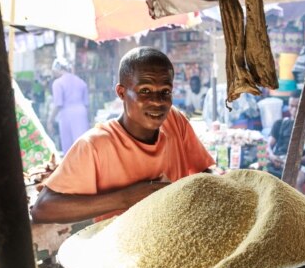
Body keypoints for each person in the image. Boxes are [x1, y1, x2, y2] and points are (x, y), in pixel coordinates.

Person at [31, 47, 215, 223]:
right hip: (123, 251)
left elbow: (203, 174)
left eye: (165, 92)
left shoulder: (174, 120)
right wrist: (124, 198)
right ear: (121, 92)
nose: (158, 102)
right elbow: (42, 209)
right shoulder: (94, 145)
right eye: (145, 91)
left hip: (181, 240)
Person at [266, 91, 305, 195]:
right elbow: (268, 146)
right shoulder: (279, 124)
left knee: (296, 181)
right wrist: (272, 156)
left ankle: (301, 210)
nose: (293, 110)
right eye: (291, 106)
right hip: (278, 161)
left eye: (297, 107)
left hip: (299, 163)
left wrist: (294, 162)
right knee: (260, 178)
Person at [46, 58, 90, 154]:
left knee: (69, 147)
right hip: (82, 113)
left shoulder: (57, 83)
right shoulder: (81, 82)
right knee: (83, 143)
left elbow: (58, 104)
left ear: (57, 69)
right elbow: (87, 104)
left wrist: (50, 120)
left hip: (67, 114)